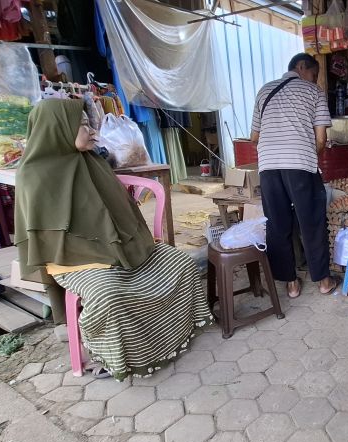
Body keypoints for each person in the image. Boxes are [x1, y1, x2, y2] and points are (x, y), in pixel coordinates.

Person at [14, 99, 213, 380]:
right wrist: (98, 252)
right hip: (75, 261)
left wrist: (123, 244)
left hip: (120, 246)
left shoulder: (92, 161)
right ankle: (114, 356)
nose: (93, 132)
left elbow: (122, 211)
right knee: (109, 295)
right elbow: (42, 240)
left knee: (180, 262)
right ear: (58, 128)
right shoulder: (33, 176)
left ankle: (170, 333)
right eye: (83, 125)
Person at [250, 53, 337, 299]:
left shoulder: (264, 91)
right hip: (300, 163)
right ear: (301, 67)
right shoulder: (314, 93)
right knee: (312, 222)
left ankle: (290, 284)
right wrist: (308, 153)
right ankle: (323, 281)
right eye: (314, 74)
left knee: (277, 225)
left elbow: (254, 137)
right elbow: (321, 139)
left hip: (268, 166)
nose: (315, 80)